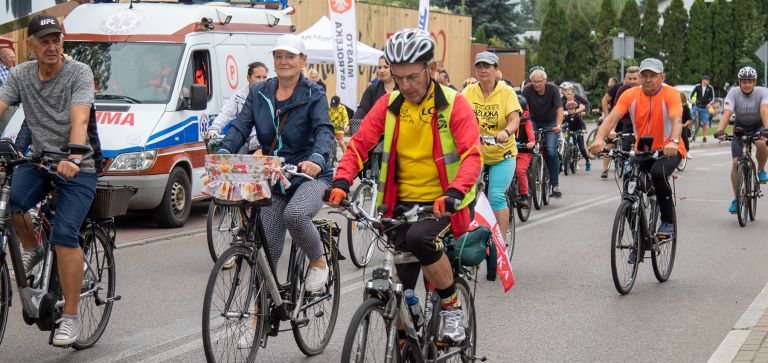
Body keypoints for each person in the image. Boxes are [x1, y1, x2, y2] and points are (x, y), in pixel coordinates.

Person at [327, 28, 481, 344]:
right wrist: (342, 181)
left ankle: (451, 308)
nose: (405, 85)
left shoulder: (454, 104)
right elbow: (358, 145)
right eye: (399, 78)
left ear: (432, 69)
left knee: (420, 240)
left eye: (412, 77)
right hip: (396, 206)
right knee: (400, 290)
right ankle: (404, 342)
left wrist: (454, 192)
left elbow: (471, 155)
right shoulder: (389, 104)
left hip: (445, 203)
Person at [0, 15, 98, 347]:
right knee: (10, 201)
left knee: (65, 235)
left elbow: (80, 117)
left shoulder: (78, 73)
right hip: (40, 161)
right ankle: (32, 247)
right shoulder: (21, 74)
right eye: (45, 41)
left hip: (78, 165)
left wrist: (73, 156)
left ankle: (70, 315)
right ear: (32, 46)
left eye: (57, 39)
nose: (52, 46)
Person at [218, 34, 334, 294]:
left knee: (295, 215)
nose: (283, 61)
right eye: (279, 56)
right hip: (275, 175)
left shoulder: (314, 93)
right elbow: (240, 126)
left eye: (290, 56)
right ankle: (256, 322)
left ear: (303, 60)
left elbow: (324, 130)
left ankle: (318, 261)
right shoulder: (259, 92)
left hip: (308, 175)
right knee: (265, 253)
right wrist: (224, 151)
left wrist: (316, 159)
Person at [590, 58, 684, 241]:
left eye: (653, 76)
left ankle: (667, 221)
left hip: (668, 150)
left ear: (662, 76)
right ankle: (638, 239)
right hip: (643, 150)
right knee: (629, 187)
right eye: (645, 75)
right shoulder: (630, 95)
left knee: (658, 173)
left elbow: (676, 119)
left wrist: (673, 141)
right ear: (640, 77)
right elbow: (611, 118)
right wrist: (599, 139)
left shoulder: (671, 94)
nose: (648, 79)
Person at [462, 51, 521, 242]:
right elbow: (456, 113)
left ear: (496, 70)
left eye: (487, 66)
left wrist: (506, 132)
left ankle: (500, 243)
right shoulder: (469, 91)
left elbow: (514, 120)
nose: (482, 70)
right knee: (466, 193)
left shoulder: (506, 92)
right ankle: (465, 237)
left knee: (495, 195)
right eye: (479, 66)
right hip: (476, 153)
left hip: (502, 154)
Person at [714, 66, 768, 214]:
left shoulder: (763, 92)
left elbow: (764, 110)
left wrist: (767, 129)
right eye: (744, 82)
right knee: (735, 163)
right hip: (740, 127)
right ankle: (737, 198)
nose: (747, 85)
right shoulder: (733, 92)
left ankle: (761, 169)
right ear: (739, 82)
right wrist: (720, 130)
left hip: (759, 125)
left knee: (762, 142)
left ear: (755, 82)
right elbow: (727, 112)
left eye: (750, 81)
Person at [206, 61, 268, 153]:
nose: (262, 80)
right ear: (248, 78)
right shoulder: (239, 96)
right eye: (258, 77)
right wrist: (214, 130)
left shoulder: (271, 96)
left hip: (263, 147)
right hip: (243, 144)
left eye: (264, 77)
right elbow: (226, 113)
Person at [522, 68, 564, 198]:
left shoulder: (553, 90)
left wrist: (558, 125)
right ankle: (529, 178)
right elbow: (522, 108)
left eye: (539, 81)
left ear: (545, 81)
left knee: (551, 150)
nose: (536, 84)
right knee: (528, 147)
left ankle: (554, 184)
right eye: (534, 81)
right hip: (533, 120)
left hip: (550, 122)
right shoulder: (527, 90)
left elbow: (559, 109)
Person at [352, 55, 396, 179]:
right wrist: (352, 123)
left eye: (385, 67)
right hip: (376, 136)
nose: (382, 70)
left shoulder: (402, 89)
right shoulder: (372, 90)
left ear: (393, 68)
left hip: (398, 137)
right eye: (379, 67)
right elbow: (363, 109)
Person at [600, 66, 641, 178]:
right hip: (625, 122)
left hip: (643, 126)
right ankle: (626, 180)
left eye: (635, 79)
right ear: (626, 78)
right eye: (630, 78)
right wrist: (611, 127)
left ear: (641, 78)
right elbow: (615, 110)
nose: (632, 82)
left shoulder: (646, 90)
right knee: (622, 150)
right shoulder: (621, 89)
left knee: (647, 154)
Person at [514, 95, 535, 208]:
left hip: (524, 151)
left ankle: (524, 195)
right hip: (510, 150)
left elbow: (530, 132)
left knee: (519, 171)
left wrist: (531, 142)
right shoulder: (507, 119)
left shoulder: (526, 121)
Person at [563, 100, 591, 171]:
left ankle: (587, 160)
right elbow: (563, 123)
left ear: (575, 109)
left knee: (581, 148)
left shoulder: (578, 117)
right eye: (569, 108)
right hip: (569, 132)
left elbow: (582, 124)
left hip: (578, 132)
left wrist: (583, 130)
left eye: (572, 108)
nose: (571, 110)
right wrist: (560, 127)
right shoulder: (567, 117)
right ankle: (565, 161)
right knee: (566, 145)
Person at [691, 75, 716, 143]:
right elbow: (692, 95)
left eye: (708, 80)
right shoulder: (697, 87)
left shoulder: (710, 88)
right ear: (703, 80)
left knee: (705, 122)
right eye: (707, 80)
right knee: (690, 115)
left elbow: (712, 98)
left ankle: (704, 137)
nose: (708, 81)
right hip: (697, 106)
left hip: (705, 107)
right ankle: (692, 127)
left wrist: (709, 104)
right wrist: (692, 101)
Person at [680, 91, 693, 156]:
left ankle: (687, 151)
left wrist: (684, 125)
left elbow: (689, 119)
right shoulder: (677, 106)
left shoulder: (686, 108)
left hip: (683, 125)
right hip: (676, 125)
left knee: (684, 136)